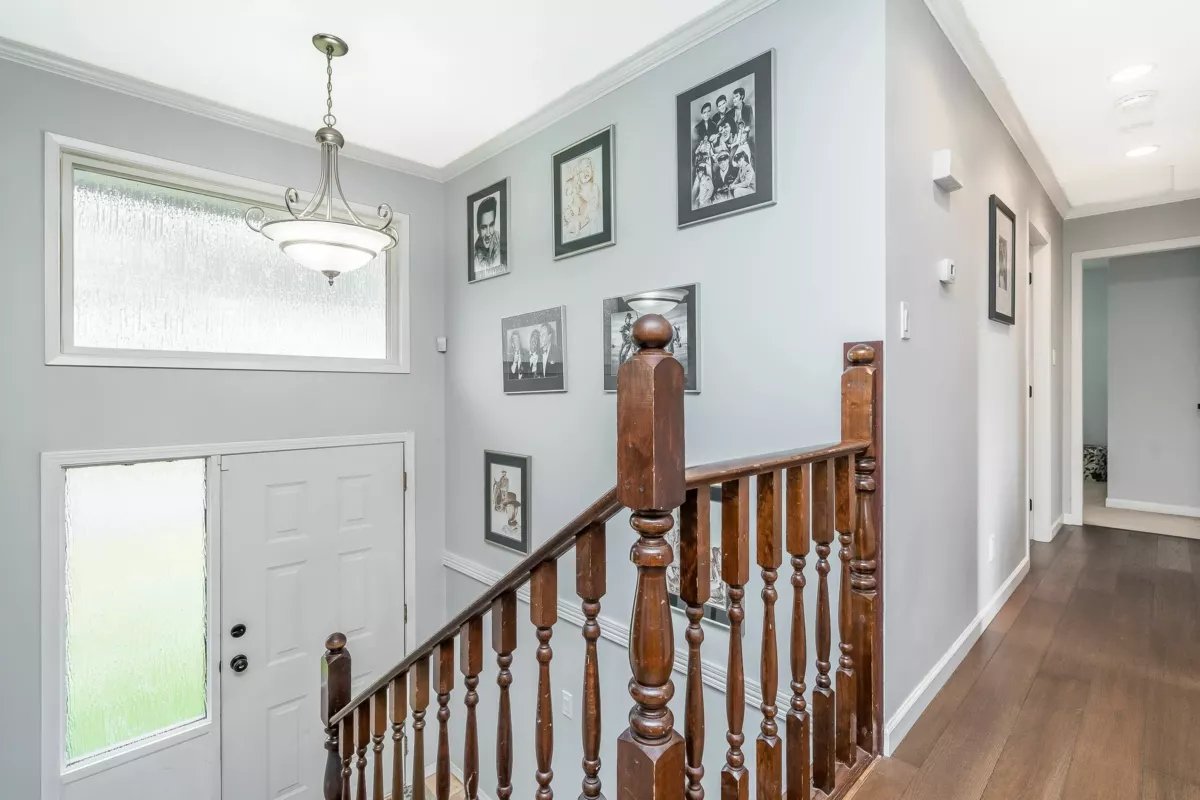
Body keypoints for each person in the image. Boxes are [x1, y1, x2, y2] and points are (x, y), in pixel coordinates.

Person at [472, 195, 505, 278]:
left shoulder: (501, 243)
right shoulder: (474, 256)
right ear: (478, 230)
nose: (488, 233)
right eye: (483, 227)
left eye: (491, 225)